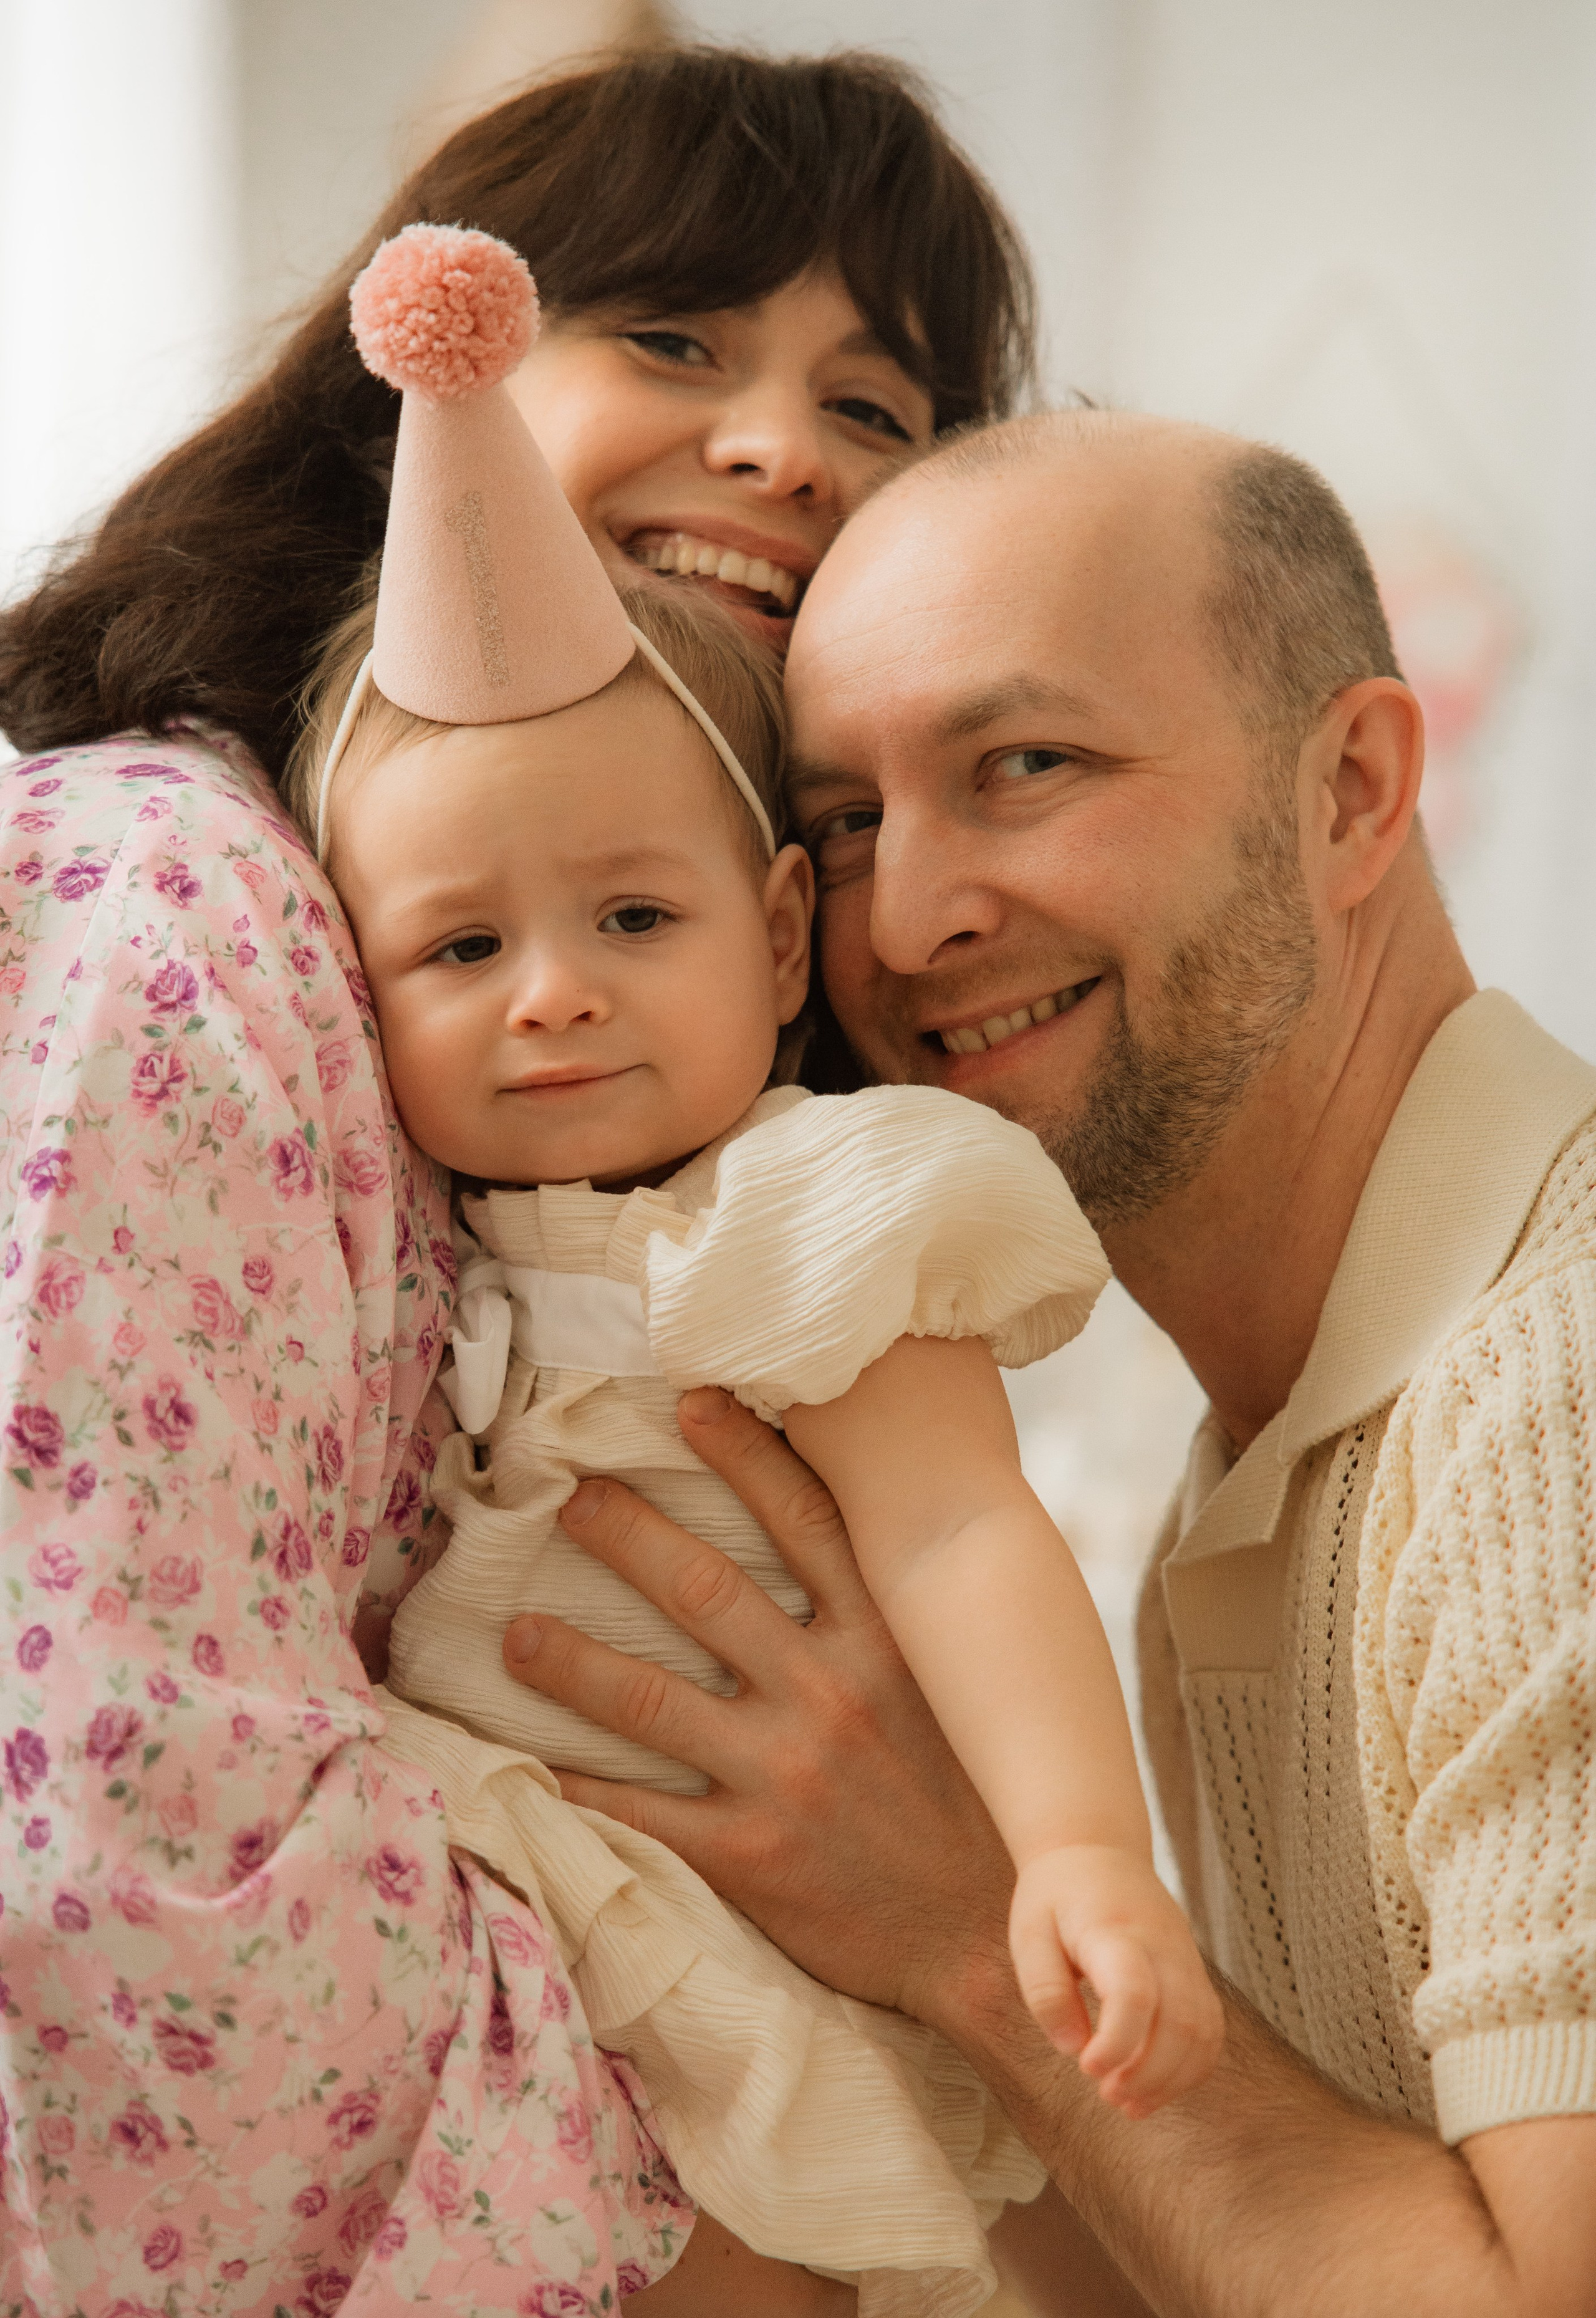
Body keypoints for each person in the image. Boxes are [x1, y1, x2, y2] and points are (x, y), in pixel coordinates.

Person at [0, 47, 1034, 2313]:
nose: (784, 450)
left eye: (878, 407)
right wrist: (720, 2245)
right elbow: (110, 1820)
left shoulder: (678, 1141)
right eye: (674, 337)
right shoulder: (181, 903)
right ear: (411, 401)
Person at [494, 409, 1596, 2317]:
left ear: (1352, 790)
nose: (913, 924)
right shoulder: (1248, 1472)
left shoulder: (1554, 1390)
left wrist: (959, 1923)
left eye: (1025, 766)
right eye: (848, 825)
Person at [300, 223, 1216, 2317]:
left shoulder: (810, 1211)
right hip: (509, 1887)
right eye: (461, 949)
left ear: (786, 938)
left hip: (749, 1942)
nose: (552, 996)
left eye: (635, 920)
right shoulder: (406, 1243)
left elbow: (967, 1527)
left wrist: (1083, 1853)